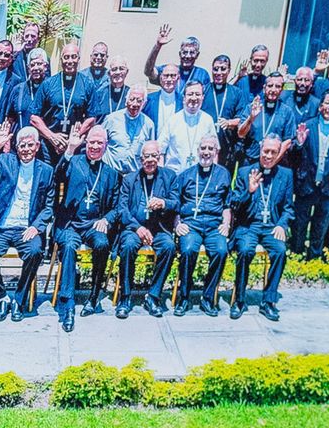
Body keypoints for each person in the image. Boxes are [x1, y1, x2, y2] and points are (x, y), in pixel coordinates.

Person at [0, 124, 55, 321]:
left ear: (37, 146)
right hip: (1, 226)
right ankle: (1, 297)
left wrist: (36, 227)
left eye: (30, 145)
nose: (26, 149)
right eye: (22, 146)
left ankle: (19, 299)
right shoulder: (5, 161)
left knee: (35, 252)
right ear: (16, 147)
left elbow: (49, 205)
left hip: (27, 227)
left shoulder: (46, 171)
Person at [51, 126, 122, 329]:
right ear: (86, 142)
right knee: (70, 248)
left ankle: (93, 296)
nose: (95, 146)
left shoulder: (110, 173)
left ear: (106, 146)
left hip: (94, 224)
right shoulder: (73, 162)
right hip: (71, 223)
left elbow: (117, 206)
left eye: (100, 143)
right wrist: (70, 150)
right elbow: (57, 176)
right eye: (92, 142)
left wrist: (107, 219)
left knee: (102, 244)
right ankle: (68, 305)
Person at [229, 136, 294, 322]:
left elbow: (288, 208)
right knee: (245, 250)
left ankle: (268, 302)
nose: (269, 156)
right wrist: (248, 191)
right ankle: (239, 300)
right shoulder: (244, 172)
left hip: (271, 226)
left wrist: (282, 224)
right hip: (248, 225)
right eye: (266, 151)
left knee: (280, 251)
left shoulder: (285, 175)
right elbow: (234, 205)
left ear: (278, 152)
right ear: (260, 149)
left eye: (274, 152)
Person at [114, 139, 178, 318]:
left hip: (158, 229)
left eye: (154, 156)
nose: (150, 160)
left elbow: (176, 202)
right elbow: (122, 209)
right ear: (140, 159)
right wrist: (137, 228)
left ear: (159, 158)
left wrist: (163, 202)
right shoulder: (129, 179)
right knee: (127, 247)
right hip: (134, 228)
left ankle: (153, 296)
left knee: (169, 247)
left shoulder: (169, 176)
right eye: (146, 156)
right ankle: (125, 296)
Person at [173, 134, 233, 316]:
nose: (206, 152)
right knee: (188, 250)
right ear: (198, 150)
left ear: (216, 152)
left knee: (221, 251)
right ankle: (184, 297)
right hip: (192, 224)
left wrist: (227, 223)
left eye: (210, 149)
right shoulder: (186, 175)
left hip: (215, 225)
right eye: (203, 148)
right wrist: (177, 224)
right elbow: (175, 204)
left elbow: (227, 204)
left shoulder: (224, 173)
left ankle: (207, 298)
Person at [292, 90, 329, 259]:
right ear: (320, 106)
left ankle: (313, 257)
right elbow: (296, 154)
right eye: (327, 103)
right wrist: (299, 143)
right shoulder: (308, 125)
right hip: (307, 183)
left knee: (321, 223)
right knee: (300, 222)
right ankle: (296, 253)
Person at [32, 41, 96, 162]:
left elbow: (91, 118)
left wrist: (73, 138)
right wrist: (52, 137)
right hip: (48, 146)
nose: (70, 61)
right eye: (66, 57)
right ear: (61, 60)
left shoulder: (87, 84)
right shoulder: (48, 84)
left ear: (78, 59)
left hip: (75, 146)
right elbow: (34, 117)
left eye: (73, 57)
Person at [237, 72, 298, 167]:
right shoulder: (251, 108)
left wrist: (272, 162)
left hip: (274, 162)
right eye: (270, 86)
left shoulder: (287, 112)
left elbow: (287, 141)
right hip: (251, 161)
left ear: (281, 90)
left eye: (277, 86)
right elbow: (241, 134)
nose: (273, 90)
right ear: (264, 88)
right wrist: (251, 118)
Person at [160, 80, 218, 173]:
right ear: (184, 98)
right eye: (190, 94)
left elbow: (215, 151)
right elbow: (160, 151)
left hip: (200, 176)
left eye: (197, 94)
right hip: (175, 176)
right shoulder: (173, 120)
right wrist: (162, 176)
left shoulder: (208, 120)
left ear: (202, 97)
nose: (194, 98)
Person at [201, 54, 244, 172]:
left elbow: (242, 118)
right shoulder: (203, 90)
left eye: (223, 69)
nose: (218, 72)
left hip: (226, 146)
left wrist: (229, 122)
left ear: (229, 70)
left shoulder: (236, 93)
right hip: (204, 147)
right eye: (215, 69)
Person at [144, 23, 211, 94]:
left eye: (192, 52)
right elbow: (148, 72)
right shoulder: (169, 70)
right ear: (179, 54)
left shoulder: (202, 74)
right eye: (185, 52)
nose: (188, 56)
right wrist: (158, 46)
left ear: (197, 55)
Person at [102, 86, 155, 174]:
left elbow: (151, 151)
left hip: (134, 176)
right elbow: (101, 143)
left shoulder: (149, 124)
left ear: (144, 104)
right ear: (126, 100)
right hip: (111, 172)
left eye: (139, 101)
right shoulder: (111, 119)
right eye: (132, 99)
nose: (134, 104)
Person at [0, 48, 48, 129]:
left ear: (46, 66)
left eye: (39, 64)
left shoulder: (52, 89)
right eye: (32, 65)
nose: (35, 68)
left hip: (44, 140)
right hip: (21, 139)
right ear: (28, 69)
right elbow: (9, 119)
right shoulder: (18, 90)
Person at [144, 62, 182, 128]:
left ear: (178, 78)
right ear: (160, 78)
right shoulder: (148, 100)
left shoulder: (183, 101)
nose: (169, 79)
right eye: (166, 76)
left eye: (173, 76)